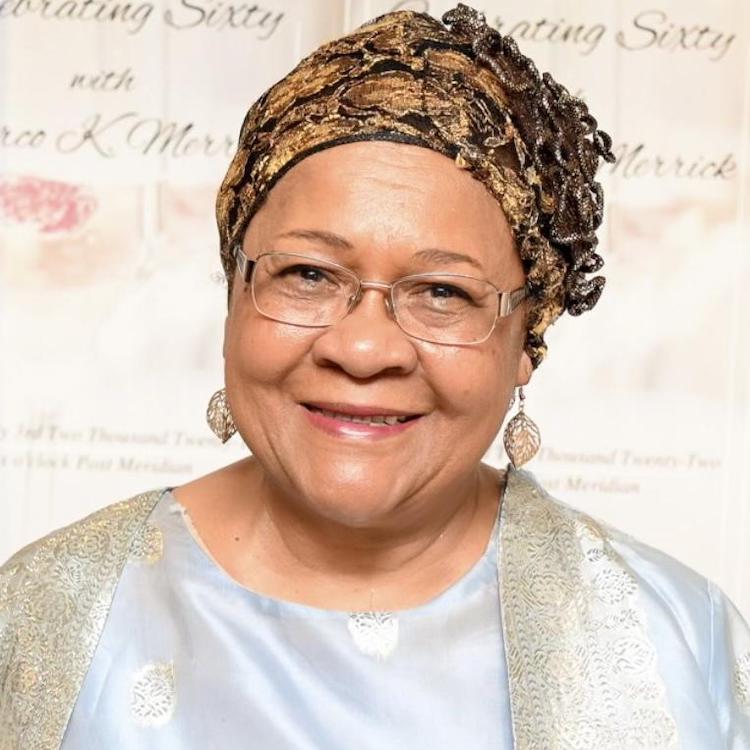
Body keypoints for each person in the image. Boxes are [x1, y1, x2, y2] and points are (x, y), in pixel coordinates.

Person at [1, 4, 749, 748]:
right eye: (308, 274)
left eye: (443, 293)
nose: (362, 349)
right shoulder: (44, 616)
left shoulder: (674, 636)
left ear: (528, 338)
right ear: (234, 294)